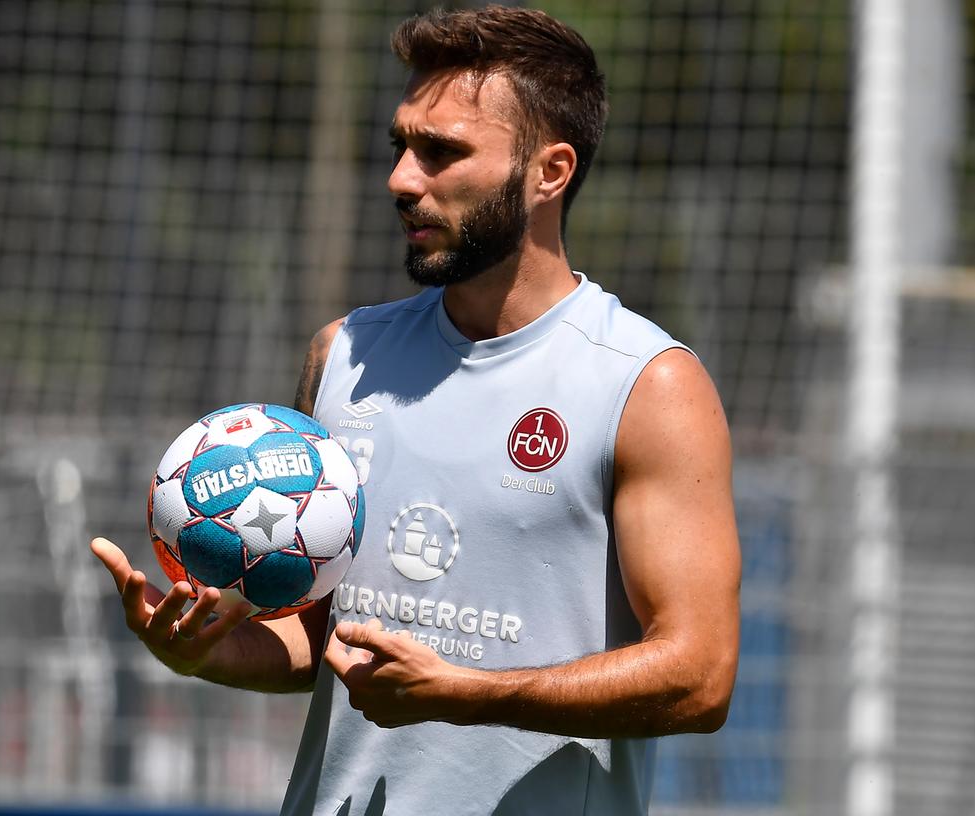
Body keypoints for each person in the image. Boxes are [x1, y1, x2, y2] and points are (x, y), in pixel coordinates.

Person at [91, 6, 741, 814]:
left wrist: (469, 693)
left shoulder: (645, 384)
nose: (402, 178)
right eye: (400, 144)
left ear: (550, 172)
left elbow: (701, 675)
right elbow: (319, 634)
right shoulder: (345, 353)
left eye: (442, 152)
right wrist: (206, 653)